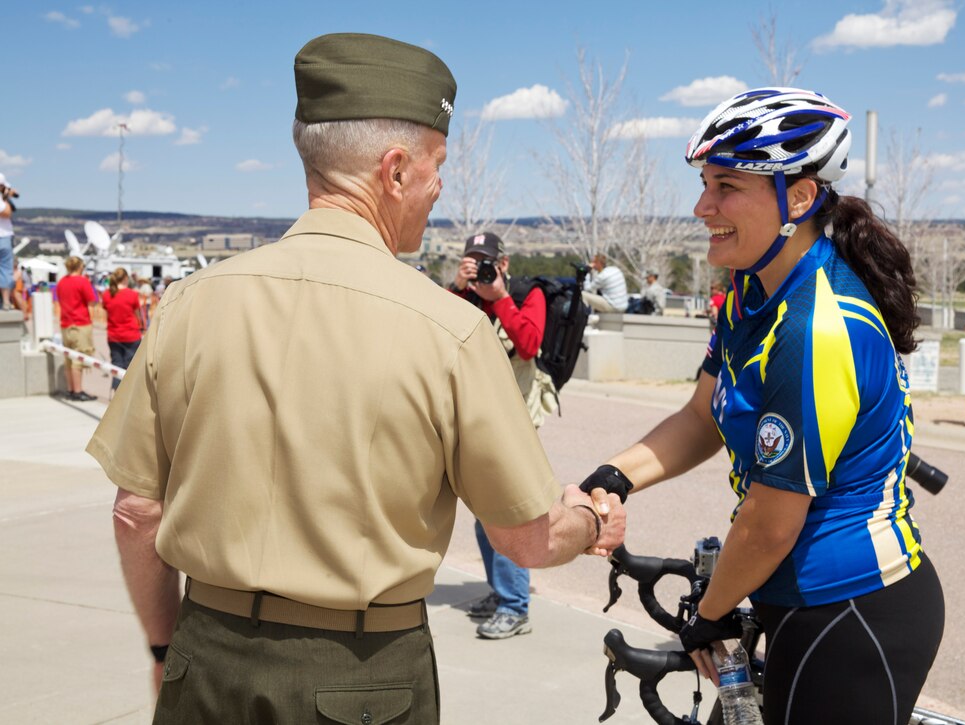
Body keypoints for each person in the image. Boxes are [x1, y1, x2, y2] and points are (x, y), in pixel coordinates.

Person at [85, 33, 624, 724]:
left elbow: (137, 512)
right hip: (365, 680)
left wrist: (165, 648)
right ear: (395, 171)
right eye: (437, 167)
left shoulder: (188, 304)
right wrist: (591, 518)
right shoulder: (450, 331)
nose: (439, 189)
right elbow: (529, 538)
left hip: (205, 663)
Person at [579, 87, 943, 725]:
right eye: (703, 182)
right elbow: (701, 417)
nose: (702, 206)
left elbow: (771, 523)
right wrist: (613, 478)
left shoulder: (815, 328)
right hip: (790, 595)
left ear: (797, 198)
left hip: (852, 607)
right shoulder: (748, 290)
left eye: (727, 186)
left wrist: (709, 616)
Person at [449, 231, 558, 639]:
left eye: (487, 261)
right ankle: (502, 593)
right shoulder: (465, 298)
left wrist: (499, 297)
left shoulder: (529, 294)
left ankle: (515, 606)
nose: (481, 268)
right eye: (472, 261)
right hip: (481, 417)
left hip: (517, 421)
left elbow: (529, 345)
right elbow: (437, 338)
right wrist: (459, 290)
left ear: (504, 263)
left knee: (509, 511)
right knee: (483, 514)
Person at [56, 256, 98, 402]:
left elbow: (59, 302)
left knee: (68, 358)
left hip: (65, 324)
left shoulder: (61, 282)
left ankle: (71, 389)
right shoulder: (82, 281)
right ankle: (78, 391)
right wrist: (90, 322)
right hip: (80, 324)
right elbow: (91, 303)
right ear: (80, 267)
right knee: (78, 359)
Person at [101, 268, 143, 392]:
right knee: (130, 367)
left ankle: (116, 393)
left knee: (116, 365)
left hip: (114, 335)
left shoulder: (107, 294)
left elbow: (107, 313)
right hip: (131, 335)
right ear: (126, 278)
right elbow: (138, 315)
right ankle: (128, 395)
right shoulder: (132, 294)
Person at [0, 173, 15, 311]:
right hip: (3, 237)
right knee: (5, 270)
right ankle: (5, 301)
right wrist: (5, 197)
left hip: (4, 236)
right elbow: (6, 212)